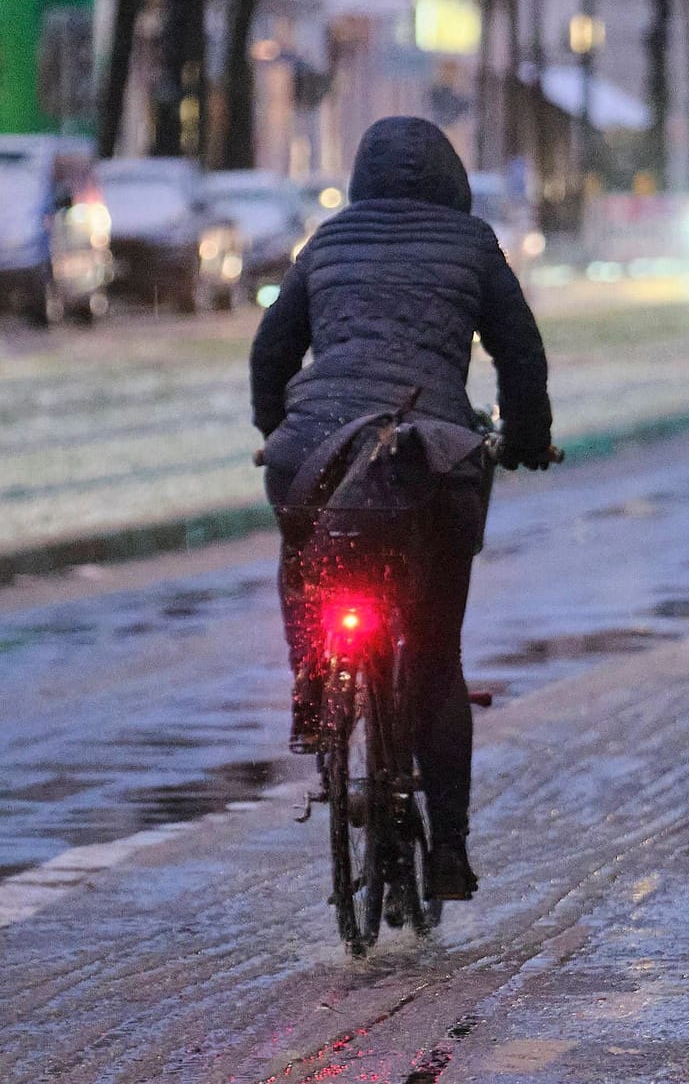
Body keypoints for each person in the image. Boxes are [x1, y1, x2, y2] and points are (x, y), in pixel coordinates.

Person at [250, 116, 553, 900]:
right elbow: (520, 352)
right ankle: (447, 850)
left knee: (303, 562)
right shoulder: (472, 243)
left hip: (316, 450)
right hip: (434, 458)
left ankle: (316, 691)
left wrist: (275, 432)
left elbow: (271, 352)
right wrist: (524, 438)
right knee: (435, 655)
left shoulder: (329, 240)